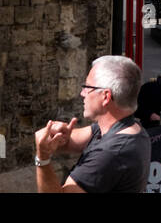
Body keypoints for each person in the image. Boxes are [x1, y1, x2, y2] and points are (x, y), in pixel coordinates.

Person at [34, 55, 149, 193]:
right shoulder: (129, 129)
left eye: (87, 87)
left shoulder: (110, 154)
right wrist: (57, 135)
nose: (82, 93)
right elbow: (70, 141)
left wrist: (42, 158)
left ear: (105, 96)